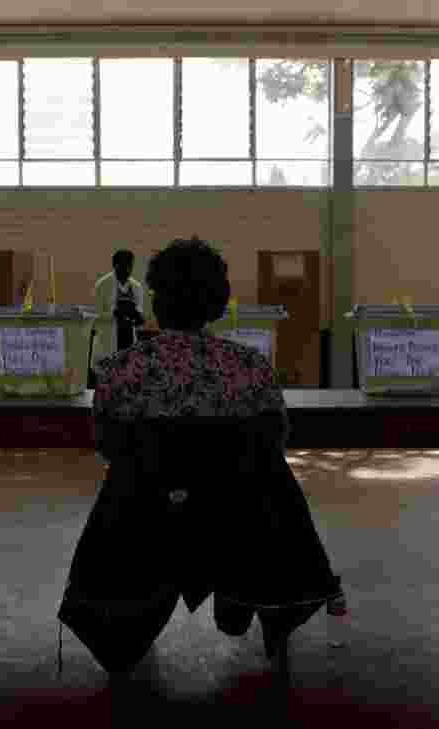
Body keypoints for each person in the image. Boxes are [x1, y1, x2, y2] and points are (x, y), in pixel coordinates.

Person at [57, 235, 344, 678]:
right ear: (219, 302)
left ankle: (131, 627)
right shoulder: (252, 367)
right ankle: (241, 593)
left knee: (138, 498)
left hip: (142, 529)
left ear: (156, 301)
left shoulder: (120, 370)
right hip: (244, 528)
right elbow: (275, 441)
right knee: (261, 496)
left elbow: (107, 446)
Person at [90, 250, 145, 387]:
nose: (127, 270)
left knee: (126, 389)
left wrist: (137, 316)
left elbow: (139, 320)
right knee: (105, 388)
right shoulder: (102, 285)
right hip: (107, 346)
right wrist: (114, 314)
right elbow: (94, 319)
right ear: (115, 265)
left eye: (130, 266)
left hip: (128, 345)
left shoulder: (136, 287)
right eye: (123, 265)